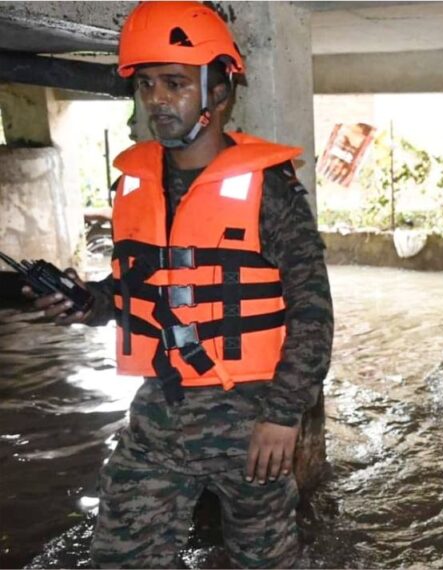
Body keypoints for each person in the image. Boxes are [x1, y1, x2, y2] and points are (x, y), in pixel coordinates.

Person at [23, 2, 333, 567]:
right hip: (160, 416)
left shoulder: (271, 191)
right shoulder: (137, 183)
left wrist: (284, 415)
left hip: (250, 420)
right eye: (146, 85)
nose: (157, 100)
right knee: (120, 556)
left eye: (175, 83)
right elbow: (138, 293)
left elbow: (312, 314)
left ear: (219, 91)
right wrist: (87, 302)